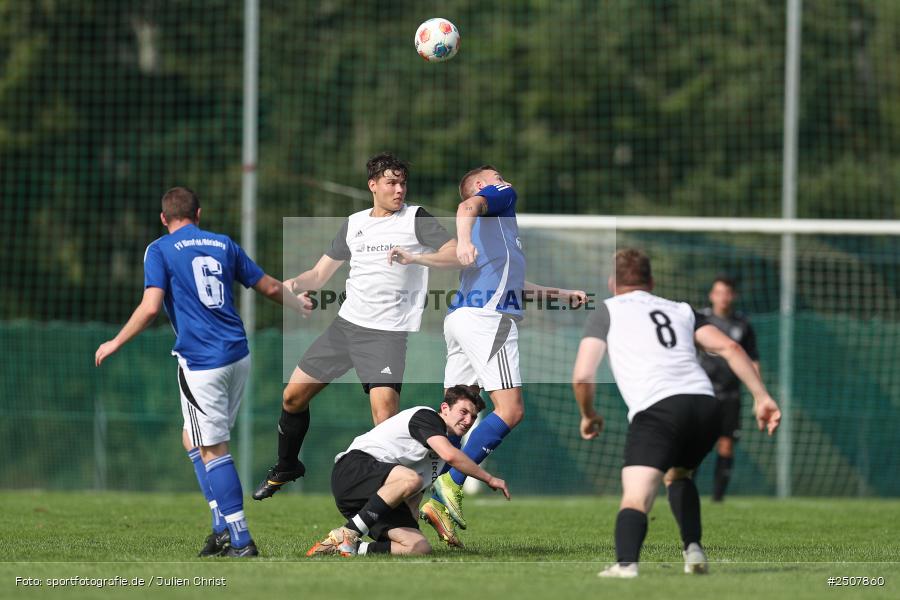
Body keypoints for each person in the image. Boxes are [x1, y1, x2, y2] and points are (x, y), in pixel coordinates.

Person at [94, 187, 311, 557]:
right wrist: (297, 302)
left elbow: (150, 308)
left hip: (201, 362)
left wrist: (115, 341)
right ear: (199, 213)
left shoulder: (159, 249)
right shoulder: (223, 243)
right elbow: (269, 285)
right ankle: (219, 524)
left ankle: (239, 539)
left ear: (164, 219)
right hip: (239, 356)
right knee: (192, 438)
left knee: (213, 449)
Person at [253, 153, 459, 500]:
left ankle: (401, 504)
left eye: (402, 183)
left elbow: (454, 252)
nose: (399, 190)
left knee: (386, 428)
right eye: (391, 183)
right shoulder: (354, 223)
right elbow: (318, 275)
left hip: (385, 337)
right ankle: (287, 465)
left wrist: (417, 257)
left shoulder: (415, 218)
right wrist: (292, 284)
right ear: (373, 185)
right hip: (345, 328)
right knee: (292, 397)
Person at [399, 165, 586, 541]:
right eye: (496, 175)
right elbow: (466, 208)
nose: (505, 179)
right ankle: (450, 485)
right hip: (488, 320)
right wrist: (463, 240)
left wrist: (561, 294)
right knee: (511, 409)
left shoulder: (498, 233)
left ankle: (410, 498)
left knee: (454, 418)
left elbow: (516, 283)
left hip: (462, 320)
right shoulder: (500, 199)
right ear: (483, 185)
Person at [571, 249, 781, 578]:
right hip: (705, 405)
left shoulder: (607, 311)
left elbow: (583, 376)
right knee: (678, 475)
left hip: (659, 409)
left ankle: (626, 565)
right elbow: (731, 348)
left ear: (613, 283)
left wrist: (588, 414)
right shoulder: (682, 309)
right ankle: (693, 550)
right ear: (651, 282)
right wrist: (762, 396)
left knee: (637, 494)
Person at [306, 386, 510, 556]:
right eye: (463, 412)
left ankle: (350, 548)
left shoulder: (437, 457)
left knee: (418, 547)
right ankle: (349, 532)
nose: (468, 421)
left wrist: (412, 528)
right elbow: (451, 456)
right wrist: (489, 478)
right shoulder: (428, 417)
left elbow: (413, 500)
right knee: (410, 479)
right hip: (353, 470)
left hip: (370, 499)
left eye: (473, 417)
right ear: (445, 408)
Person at [697, 275, 761, 502]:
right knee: (694, 443)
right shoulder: (700, 319)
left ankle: (717, 498)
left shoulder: (742, 324)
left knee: (726, 444)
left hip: (730, 393)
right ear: (712, 295)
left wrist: (759, 395)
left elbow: (753, 360)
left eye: (727, 292)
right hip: (702, 392)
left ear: (733, 296)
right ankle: (684, 490)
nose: (722, 297)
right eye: (718, 292)